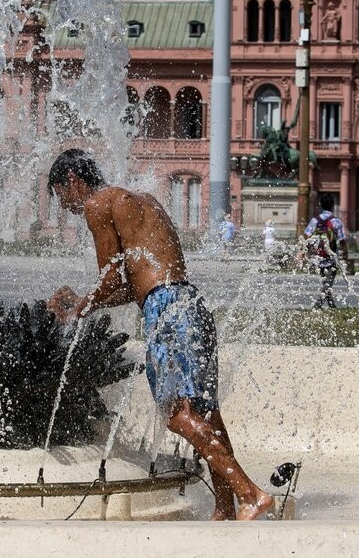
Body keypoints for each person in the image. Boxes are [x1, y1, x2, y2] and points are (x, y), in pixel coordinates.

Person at [44, 149, 273, 521]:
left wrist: (77, 308)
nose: (63, 205)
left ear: (72, 181)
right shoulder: (143, 201)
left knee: (174, 413)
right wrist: (87, 303)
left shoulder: (98, 204)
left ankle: (249, 493)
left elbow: (109, 278)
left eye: (60, 194)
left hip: (165, 311)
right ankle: (224, 507)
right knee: (205, 412)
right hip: (189, 303)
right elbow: (133, 286)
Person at [303, 194, 349, 309]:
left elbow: (306, 236)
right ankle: (318, 304)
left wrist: (309, 250)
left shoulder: (315, 220)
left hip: (319, 256)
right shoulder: (336, 221)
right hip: (331, 256)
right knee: (328, 281)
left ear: (321, 205)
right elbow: (342, 240)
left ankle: (331, 304)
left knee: (326, 281)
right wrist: (345, 252)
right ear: (333, 205)